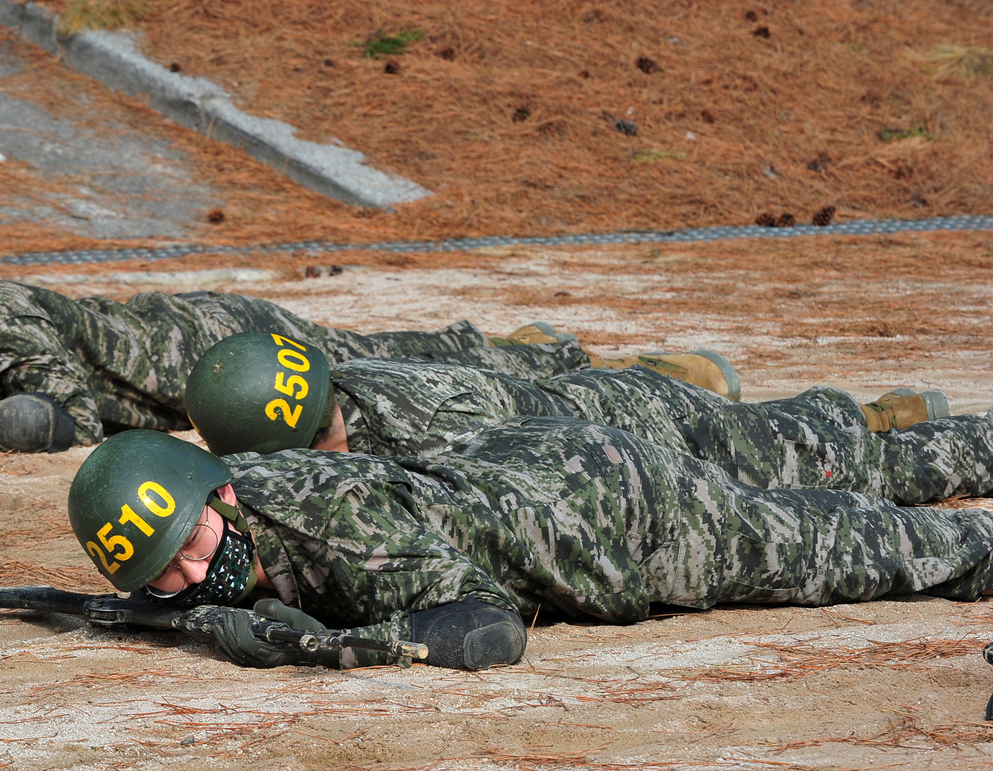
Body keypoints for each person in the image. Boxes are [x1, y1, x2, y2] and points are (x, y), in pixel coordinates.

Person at [65, 428, 993, 671]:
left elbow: (487, 627)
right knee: (820, 471)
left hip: (618, 519)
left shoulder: (341, 535)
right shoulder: (222, 487)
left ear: (224, 497)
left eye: (192, 544)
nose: (193, 575)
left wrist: (315, 643)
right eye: (166, 573)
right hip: (521, 471)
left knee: (879, 546)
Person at [0, 239, 741, 452]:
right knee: (390, 356)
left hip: (219, 345)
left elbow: (59, 418)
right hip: (191, 356)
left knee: (396, 367)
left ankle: (593, 366)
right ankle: (521, 350)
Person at [183, 333, 990, 506]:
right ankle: (873, 417)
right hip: (604, 412)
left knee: (860, 472)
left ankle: (890, 425)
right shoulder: (348, 386)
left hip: (647, 430)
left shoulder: (425, 425)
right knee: (808, 439)